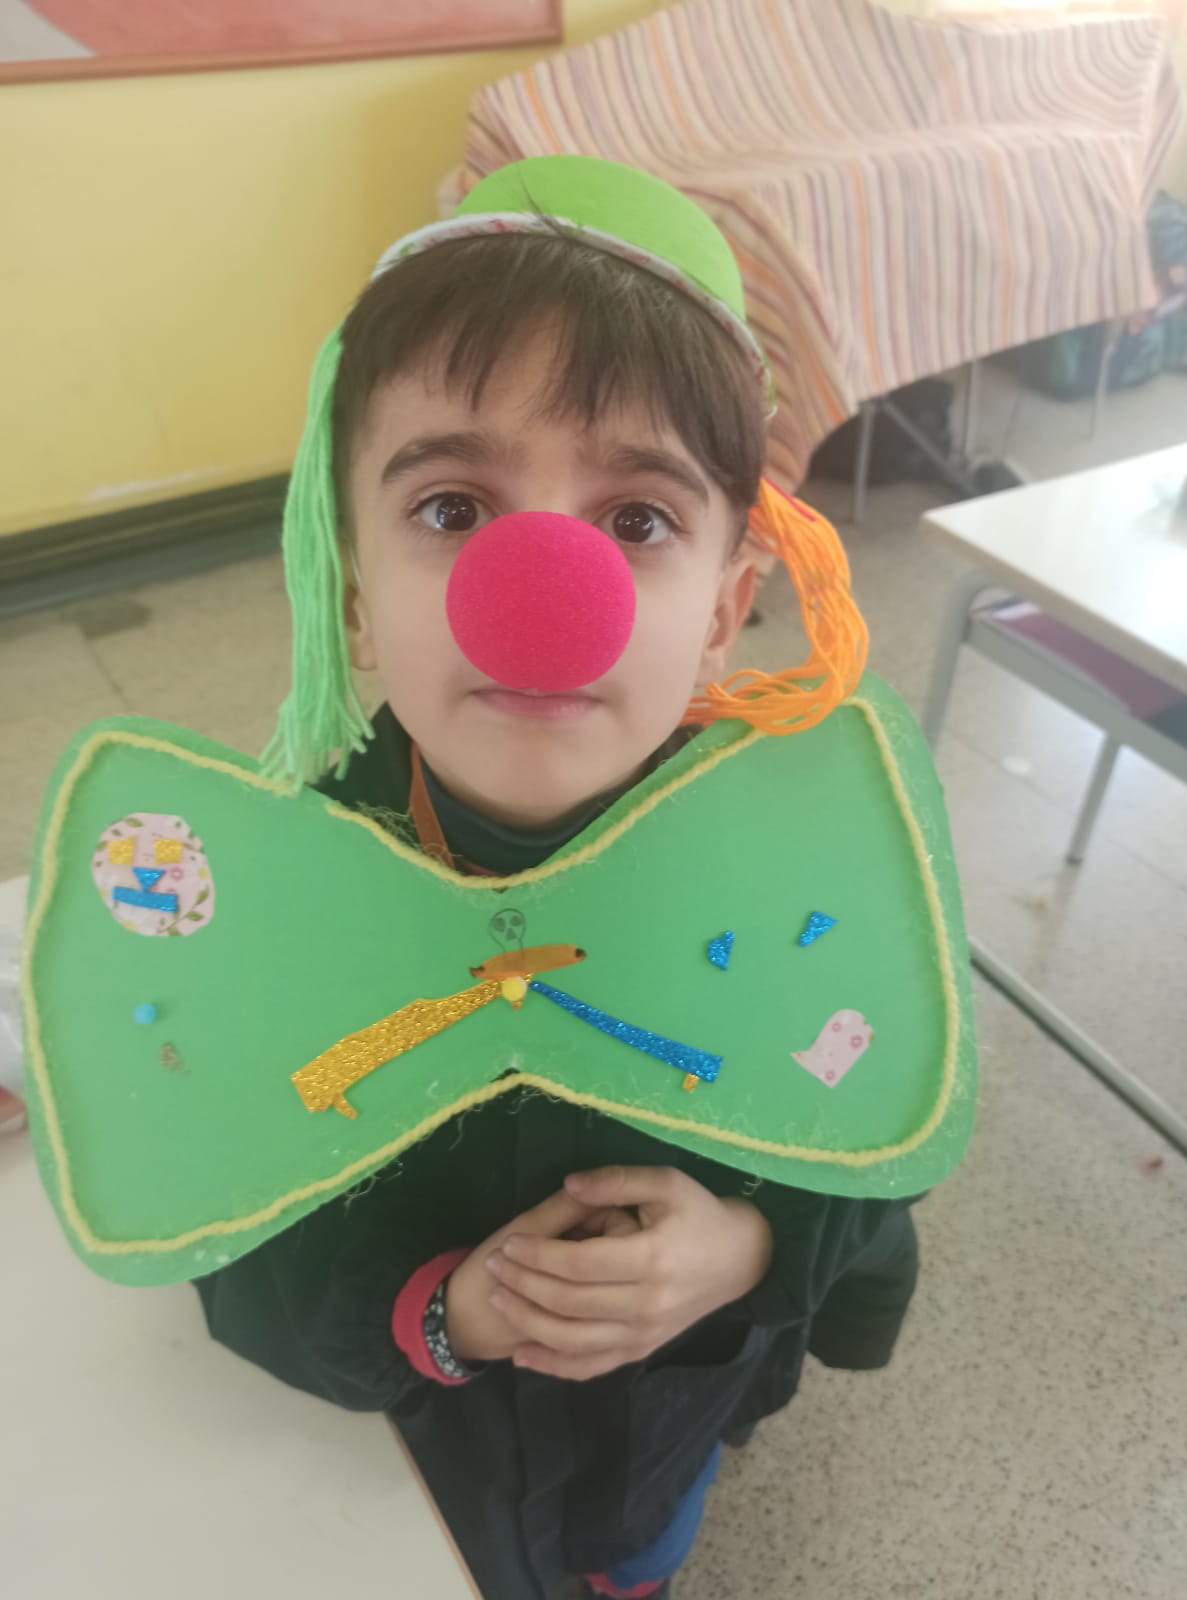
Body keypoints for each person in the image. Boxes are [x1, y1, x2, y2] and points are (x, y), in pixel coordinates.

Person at [196, 156, 922, 1600]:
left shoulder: (806, 875)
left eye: (635, 521)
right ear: (353, 591)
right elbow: (228, 1221)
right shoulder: (284, 901)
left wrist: (750, 1246)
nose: (538, 592)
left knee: (636, 1550)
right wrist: (444, 1313)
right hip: (428, 1462)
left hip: (667, 1422)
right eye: (452, 508)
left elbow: (878, 1133)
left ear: (724, 612)